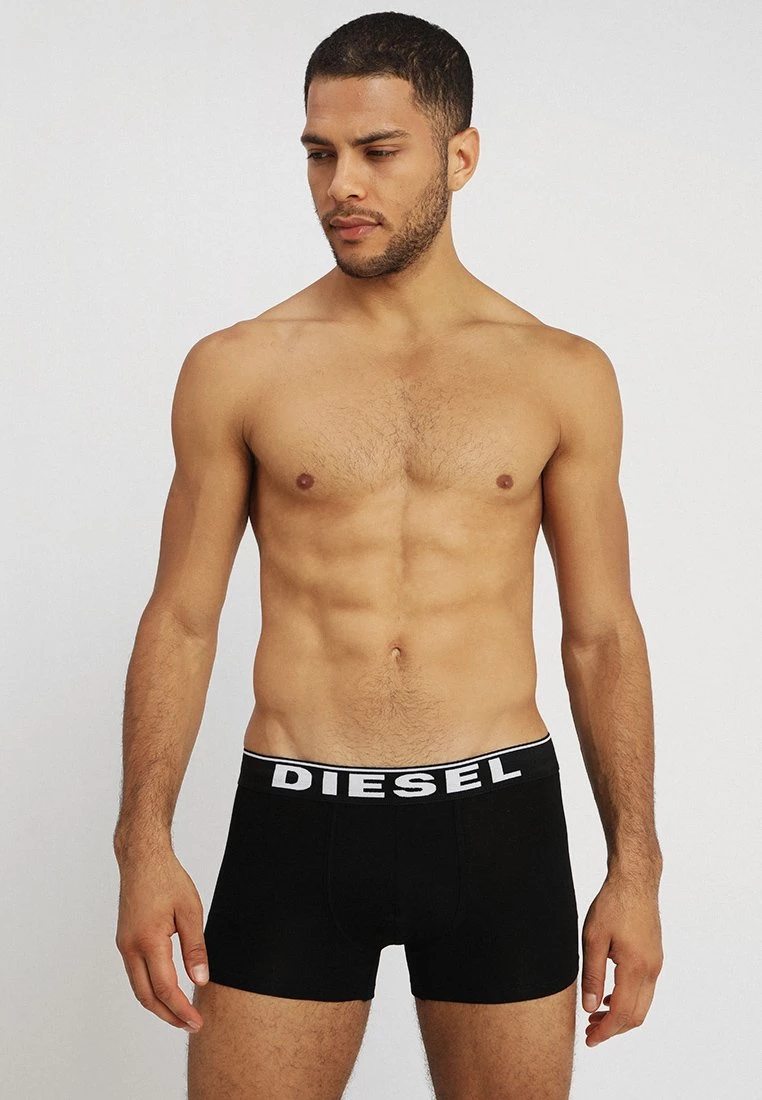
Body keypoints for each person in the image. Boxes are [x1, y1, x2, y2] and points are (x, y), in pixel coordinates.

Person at [113, 12, 664, 1099]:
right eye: (319, 153)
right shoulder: (239, 367)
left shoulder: (560, 373)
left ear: (460, 156)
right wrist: (142, 843)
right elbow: (180, 617)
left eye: (376, 150)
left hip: (498, 823)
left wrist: (635, 867)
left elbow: (601, 634)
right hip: (295, 819)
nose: (341, 186)